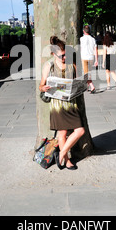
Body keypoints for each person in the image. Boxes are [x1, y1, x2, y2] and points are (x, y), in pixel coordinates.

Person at [39, 36, 85, 170]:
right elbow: (41, 86)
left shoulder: (72, 63)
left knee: (80, 131)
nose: (64, 58)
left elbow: (78, 80)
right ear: (53, 54)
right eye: (61, 56)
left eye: (65, 54)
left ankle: (62, 153)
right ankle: (67, 160)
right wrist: (44, 87)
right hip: (57, 105)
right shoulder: (49, 65)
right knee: (62, 133)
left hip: (71, 103)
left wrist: (84, 83)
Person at [80, 25, 98, 93]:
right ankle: (88, 86)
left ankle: (92, 86)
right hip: (91, 57)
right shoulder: (93, 39)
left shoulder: (81, 39)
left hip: (84, 57)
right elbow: (95, 50)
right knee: (89, 73)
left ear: (83, 31)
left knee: (86, 74)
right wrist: (96, 60)